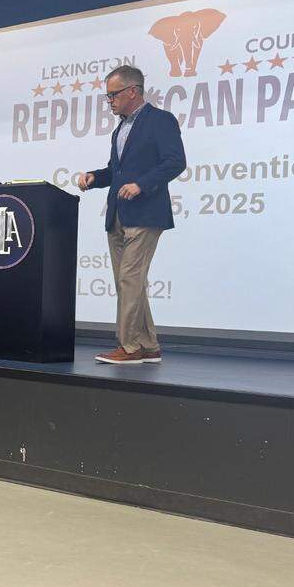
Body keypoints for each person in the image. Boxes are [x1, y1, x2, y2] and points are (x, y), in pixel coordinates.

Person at [77, 65, 185, 365]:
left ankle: (129, 347)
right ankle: (148, 345)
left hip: (146, 213)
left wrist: (142, 185)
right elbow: (117, 171)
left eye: (113, 95)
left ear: (133, 91)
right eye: (107, 96)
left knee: (129, 279)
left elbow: (175, 162)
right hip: (118, 215)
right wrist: (94, 178)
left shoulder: (160, 120)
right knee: (130, 282)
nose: (109, 101)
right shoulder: (119, 129)